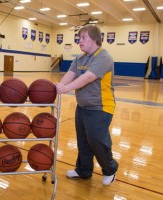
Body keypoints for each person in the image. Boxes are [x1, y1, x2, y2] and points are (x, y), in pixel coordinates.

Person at [56, 25, 118, 185]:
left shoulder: (103, 56)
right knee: (83, 140)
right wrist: (58, 87)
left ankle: (110, 169)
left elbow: (88, 77)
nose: (79, 41)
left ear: (95, 39)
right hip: (82, 107)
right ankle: (83, 170)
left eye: (83, 38)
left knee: (96, 139)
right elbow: (70, 75)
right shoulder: (79, 58)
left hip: (101, 107)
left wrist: (66, 89)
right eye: (79, 38)